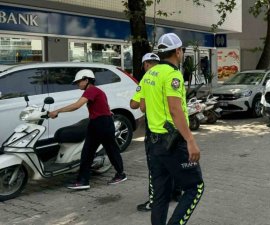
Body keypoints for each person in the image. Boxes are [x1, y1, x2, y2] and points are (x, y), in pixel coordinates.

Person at [139, 33, 204, 225]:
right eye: (182, 50)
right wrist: (191, 141)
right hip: (173, 143)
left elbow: (142, 106)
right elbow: (176, 110)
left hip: (154, 143)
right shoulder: (173, 75)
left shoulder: (150, 74)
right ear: (177, 51)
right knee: (195, 187)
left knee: (160, 195)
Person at [48, 69, 127, 190]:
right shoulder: (95, 91)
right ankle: (83, 180)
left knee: (109, 149)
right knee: (88, 152)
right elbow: (103, 105)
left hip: (102, 123)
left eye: (79, 82)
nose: (78, 84)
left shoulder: (92, 90)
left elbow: (76, 105)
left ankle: (119, 174)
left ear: (86, 80)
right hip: (97, 123)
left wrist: (57, 111)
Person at [130, 53, 183, 212]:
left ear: (146, 64)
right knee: (176, 162)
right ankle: (177, 192)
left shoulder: (146, 79)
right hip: (174, 129)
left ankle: (155, 201)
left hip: (155, 132)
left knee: (156, 169)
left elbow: (138, 106)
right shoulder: (171, 74)